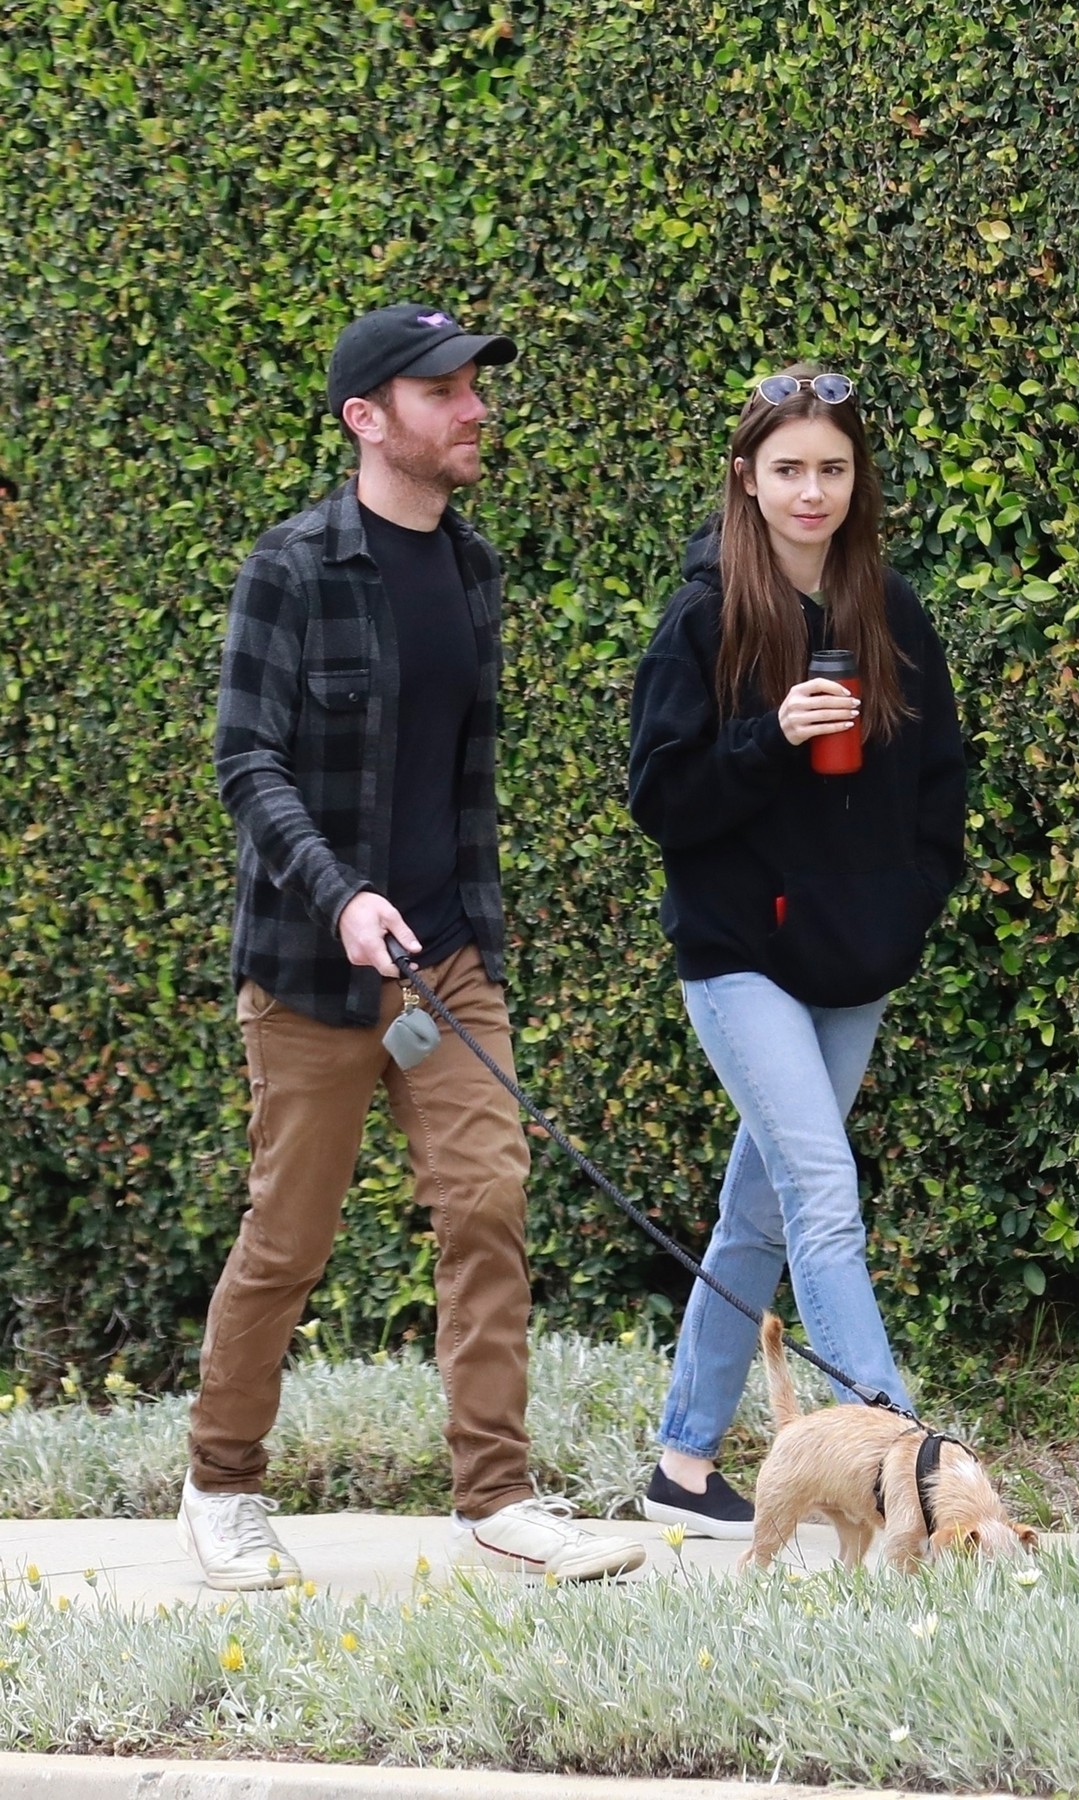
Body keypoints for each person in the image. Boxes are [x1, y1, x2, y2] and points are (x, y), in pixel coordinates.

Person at [180, 302, 644, 1588]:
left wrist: (471, 937)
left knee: (489, 1207)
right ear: (367, 419)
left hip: (447, 962)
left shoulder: (475, 571)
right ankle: (221, 1483)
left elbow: (461, 782)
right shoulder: (291, 566)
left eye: (473, 386)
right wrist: (338, 893)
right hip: (313, 970)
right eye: (444, 390)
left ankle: (497, 1494)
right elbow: (246, 760)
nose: (475, 407)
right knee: (292, 1238)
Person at [628, 366, 966, 1540]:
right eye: (788, 469)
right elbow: (660, 800)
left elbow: (942, 786)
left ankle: (682, 1456)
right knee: (822, 1194)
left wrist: (911, 902)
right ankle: (899, 1457)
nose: (810, 491)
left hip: (855, 960)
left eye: (831, 467)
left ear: (854, 477)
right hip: (739, 960)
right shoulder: (705, 617)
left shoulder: (893, 613)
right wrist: (767, 738)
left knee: (760, 1216)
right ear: (748, 479)